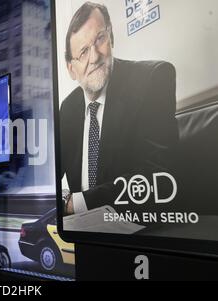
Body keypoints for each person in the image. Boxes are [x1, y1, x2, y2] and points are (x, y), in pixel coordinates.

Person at [60, 2, 179, 215]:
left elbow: (160, 178)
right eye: (83, 51)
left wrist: (74, 204)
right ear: (71, 69)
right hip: (83, 238)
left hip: (139, 233)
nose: (94, 56)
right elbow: (49, 175)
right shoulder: (68, 108)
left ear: (111, 37)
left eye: (100, 39)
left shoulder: (152, 79)